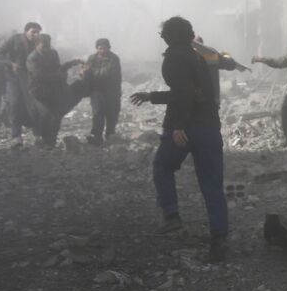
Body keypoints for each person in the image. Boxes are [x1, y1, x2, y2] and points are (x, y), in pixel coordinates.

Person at [129, 16, 229, 263]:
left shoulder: (174, 57)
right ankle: (219, 239)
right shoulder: (198, 57)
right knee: (212, 185)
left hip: (186, 128)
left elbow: (183, 94)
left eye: (163, 34)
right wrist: (151, 96)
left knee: (162, 166)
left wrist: (178, 126)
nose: (161, 37)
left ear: (169, 36)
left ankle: (172, 216)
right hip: (209, 127)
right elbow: (196, 93)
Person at [25, 34, 83, 147]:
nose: (47, 48)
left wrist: (70, 64)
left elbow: (58, 68)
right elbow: (39, 75)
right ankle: (44, 140)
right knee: (46, 115)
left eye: (48, 45)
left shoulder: (53, 53)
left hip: (54, 90)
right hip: (39, 92)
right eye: (44, 45)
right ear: (37, 44)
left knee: (56, 115)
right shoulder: (32, 58)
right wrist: (59, 76)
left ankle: (51, 141)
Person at [0, 22, 41, 147]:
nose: (35, 34)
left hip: (31, 78)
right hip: (14, 77)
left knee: (33, 105)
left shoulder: (39, 42)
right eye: (33, 31)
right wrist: (11, 64)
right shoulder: (15, 39)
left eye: (37, 32)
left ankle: (38, 134)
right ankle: (16, 136)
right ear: (26, 31)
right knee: (15, 103)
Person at [83, 38, 122, 145]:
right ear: (96, 48)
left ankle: (110, 136)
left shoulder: (113, 59)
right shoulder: (92, 58)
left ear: (109, 48)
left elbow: (107, 73)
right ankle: (97, 137)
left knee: (111, 114)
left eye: (104, 48)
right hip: (97, 91)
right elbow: (86, 73)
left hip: (112, 92)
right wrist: (84, 73)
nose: (102, 51)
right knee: (97, 114)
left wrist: (90, 71)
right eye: (100, 48)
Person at [192, 36, 249, 108]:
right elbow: (230, 64)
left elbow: (230, 64)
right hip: (209, 99)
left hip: (202, 100)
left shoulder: (209, 54)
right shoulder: (210, 54)